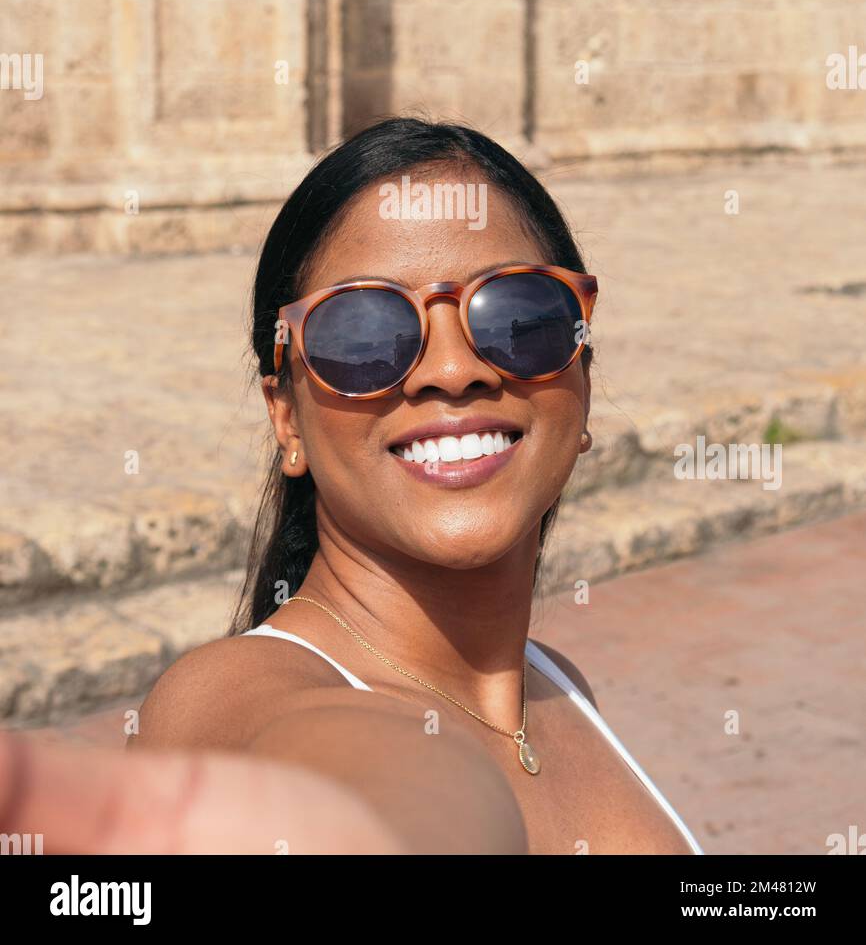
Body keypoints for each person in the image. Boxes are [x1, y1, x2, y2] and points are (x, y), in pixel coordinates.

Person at [1, 116, 702, 855]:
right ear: (288, 422)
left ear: (584, 377)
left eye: (519, 317)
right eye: (364, 334)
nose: (453, 369)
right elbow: (374, 788)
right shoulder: (228, 697)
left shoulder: (557, 686)